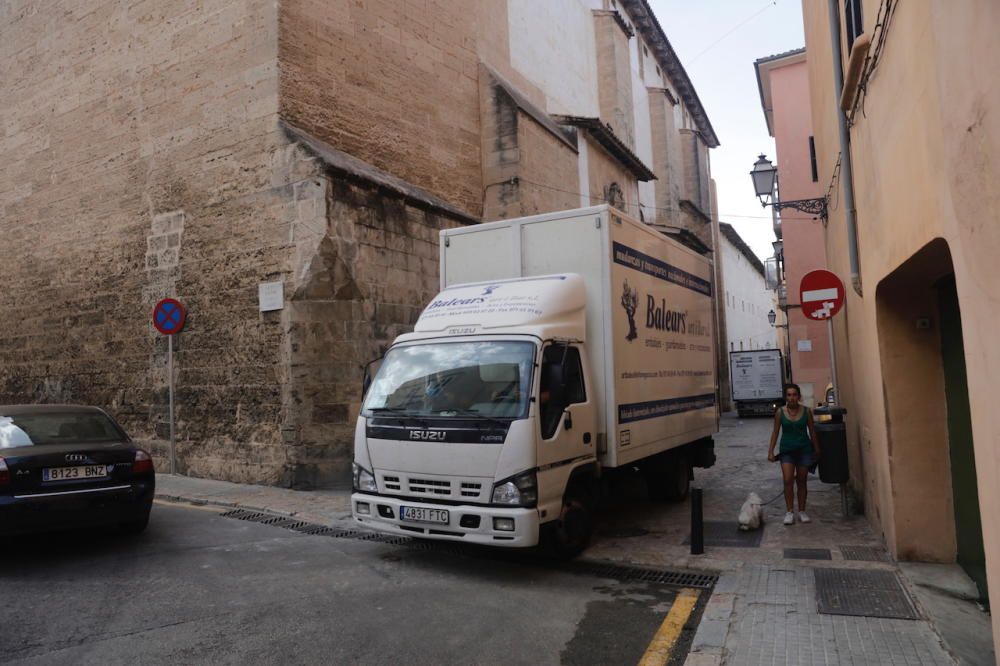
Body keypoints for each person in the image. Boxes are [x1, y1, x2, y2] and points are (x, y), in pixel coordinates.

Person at [767, 383, 822, 525]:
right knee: (787, 480)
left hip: (804, 450)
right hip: (787, 451)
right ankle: (789, 511)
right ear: (785, 397)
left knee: (802, 481)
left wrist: (817, 449)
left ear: (799, 396)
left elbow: (812, 431)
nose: (792, 398)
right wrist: (771, 451)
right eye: (789, 395)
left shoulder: (806, 411)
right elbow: (775, 432)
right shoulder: (780, 412)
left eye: (794, 395)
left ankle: (802, 511)